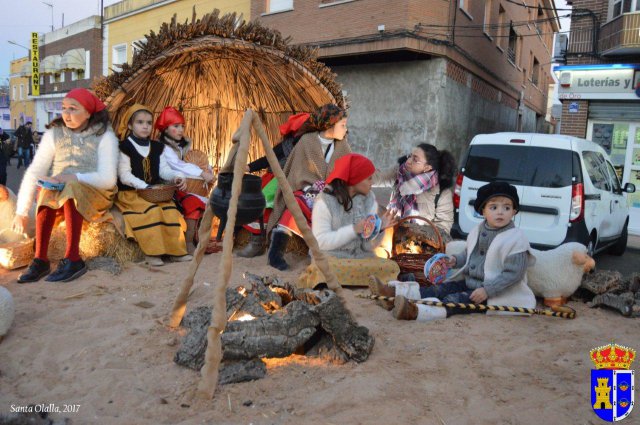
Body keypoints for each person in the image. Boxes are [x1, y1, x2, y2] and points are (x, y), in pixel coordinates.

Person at [370, 181, 536, 321]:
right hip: (470, 283)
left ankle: (415, 311)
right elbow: (470, 255)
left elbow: (513, 274)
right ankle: (393, 294)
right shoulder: (479, 230)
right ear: (483, 211)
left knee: (454, 300)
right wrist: (455, 260)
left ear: (514, 212)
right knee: (439, 289)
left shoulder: (516, 239)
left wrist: (488, 290)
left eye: (507, 208)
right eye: (493, 207)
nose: (500, 212)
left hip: (494, 293)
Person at [12, 89, 119, 283]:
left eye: (73, 109)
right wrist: (21, 211)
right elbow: (35, 170)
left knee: (71, 187)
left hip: (96, 190)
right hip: (61, 191)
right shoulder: (54, 134)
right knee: (46, 189)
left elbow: (108, 178)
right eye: (63, 108)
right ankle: (41, 259)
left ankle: (73, 259)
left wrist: (74, 177)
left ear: (88, 112)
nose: (66, 114)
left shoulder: (105, 137)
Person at [266, 104, 351, 271]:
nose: (345, 129)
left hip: (333, 195)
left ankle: (323, 253)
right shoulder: (307, 142)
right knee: (295, 205)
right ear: (329, 125)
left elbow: (349, 174)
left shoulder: (343, 146)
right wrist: (311, 190)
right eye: (342, 125)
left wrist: (331, 189)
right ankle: (275, 253)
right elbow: (296, 174)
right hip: (306, 191)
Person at [298, 153, 400, 288]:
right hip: (331, 256)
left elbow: (366, 245)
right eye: (369, 179)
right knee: (322, 268)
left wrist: (379, 227)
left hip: (358, 257)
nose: (372, 183)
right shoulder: (325, 201)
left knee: (391, 267)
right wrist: (353, 230)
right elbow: (321, 241)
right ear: (355, 181)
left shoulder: (369, 200)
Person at [114, 104, 192, 266]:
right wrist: (144, 186)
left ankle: (175, 252)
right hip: (131, 194)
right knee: (152, 211)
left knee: (170, 210)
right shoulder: (124, 147)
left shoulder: (157, 147)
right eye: (140, 122)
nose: (145, 126)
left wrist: (177, 176)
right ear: (130, 125)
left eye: (149, 123)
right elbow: (124, 174)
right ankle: (152, 253)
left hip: (153, 193)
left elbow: (163, 171)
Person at [238, 112, 310, 258]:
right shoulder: (287, 144)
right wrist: (249, 167)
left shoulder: (311, 143)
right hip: (276, 178)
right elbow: (268, 159)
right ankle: (257, 241)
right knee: (257, 201)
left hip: (297, 180)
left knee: (264, 200)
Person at [156, 106, 215, 254]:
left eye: (182, 126)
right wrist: (201, 173)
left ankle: (196, 239)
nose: (181, 130)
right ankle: (188, 243)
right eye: (176, 126)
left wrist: (207, 168)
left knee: (204, 202)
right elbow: (179, 165)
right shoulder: (163, 147)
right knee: (193, 203)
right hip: (169, 186)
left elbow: (190, 161)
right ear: (165, 129)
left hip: (185, 185)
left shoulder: (183, 145)